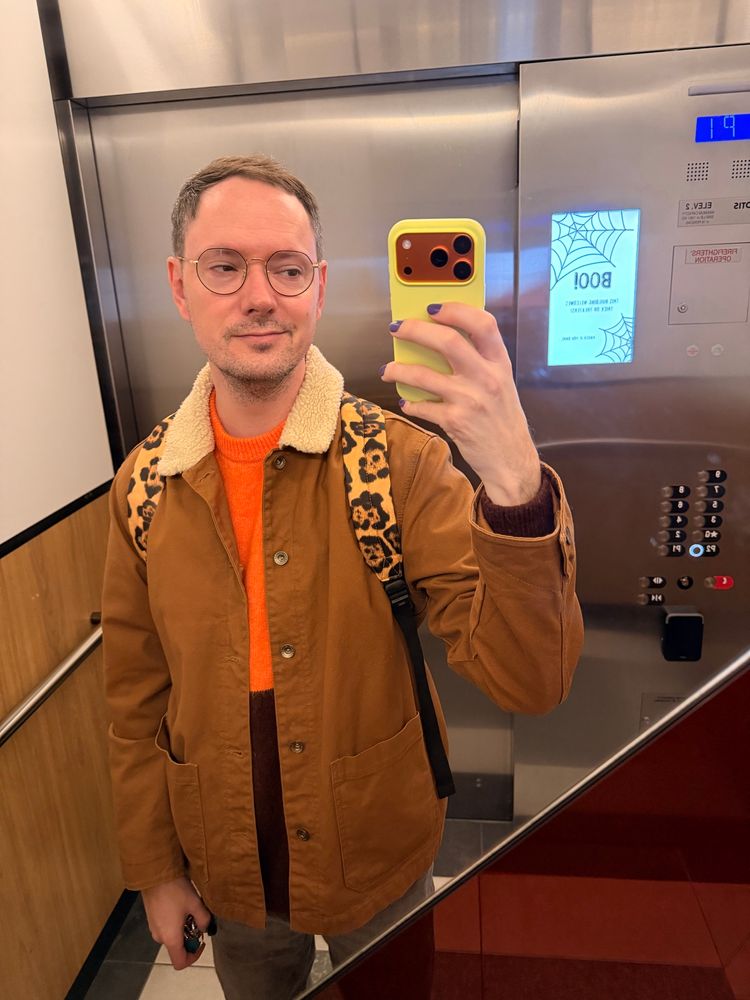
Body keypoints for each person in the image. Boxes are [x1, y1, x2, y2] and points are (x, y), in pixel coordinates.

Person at [102, 154, 583, 1000]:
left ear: (318, 286)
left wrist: (513, 483)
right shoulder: (145, 484)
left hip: (378, 850)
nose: (260, 295)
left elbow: (530, 679)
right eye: (225, 266)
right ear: (181, 286)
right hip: (229, 870)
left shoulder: (397, 460)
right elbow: (134, 698)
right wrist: (155, 869)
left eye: (287, 268)